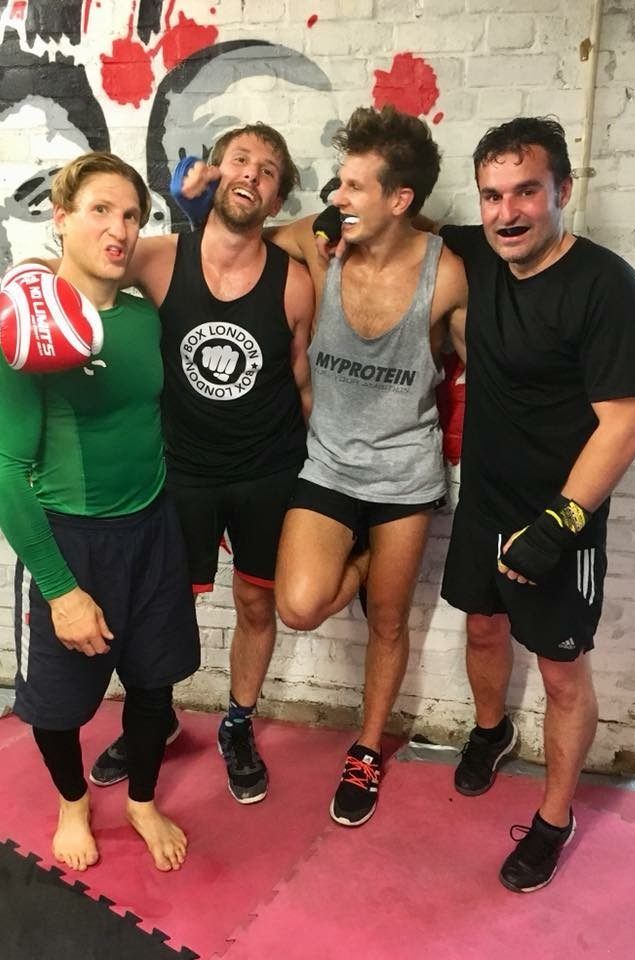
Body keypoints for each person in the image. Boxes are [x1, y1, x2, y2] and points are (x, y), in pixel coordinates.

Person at [438, 117, 635, 892]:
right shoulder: (479, 253)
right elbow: (391, 219)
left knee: (562, 674)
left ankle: (555, 818)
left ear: (562, 191)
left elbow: (625, 423)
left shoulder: (609, 289)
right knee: (482, 626)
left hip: (559, 520)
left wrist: (559, 524)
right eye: (493, 195)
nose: (507, 212)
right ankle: (491, 731)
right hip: (484, 503)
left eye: (527, 191)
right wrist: (334, 219)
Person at [0, 152, 200, 872]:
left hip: (153, 529)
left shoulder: (140, 316)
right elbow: (4, 472)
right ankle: (74, 801)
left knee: (156, 685)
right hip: (69, 542)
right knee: (57, 707)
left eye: (132, 214)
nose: (120, 228)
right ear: (61, 217)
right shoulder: (21, 331)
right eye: (101, 209)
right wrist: (60, 589)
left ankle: (139, 797)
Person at [86, 124, 314, 804]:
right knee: (158, 610)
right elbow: (86, 265)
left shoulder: (295, 283)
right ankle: (150, 718)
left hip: (267, 471)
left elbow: (301, 386)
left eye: (269, 170)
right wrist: (30, 292)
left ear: (275, 200)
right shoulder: (159, 258)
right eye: (240, 158)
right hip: (180, 471)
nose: (253, 172)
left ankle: (237, 724)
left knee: (255, 599)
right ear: (214, 172)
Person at [267, 105, 468, 827]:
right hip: (326, 466)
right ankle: (354, 562)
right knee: (298, 604)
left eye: (353, 186)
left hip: (405, 477)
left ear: (400, 199)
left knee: (388, 621)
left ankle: (367, 747)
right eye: (338, 184)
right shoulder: (323, 245)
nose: (337, 198)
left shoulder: (447, 278)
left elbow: (490, 370)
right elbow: (242, 241)